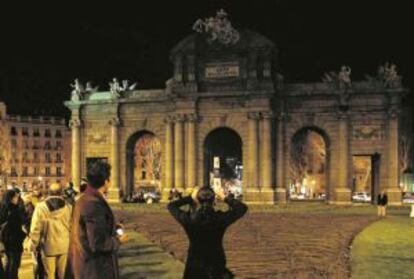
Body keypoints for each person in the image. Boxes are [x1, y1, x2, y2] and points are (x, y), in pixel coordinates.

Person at [168, 186, 248, 279]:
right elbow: (242, 208)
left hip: (194, 264)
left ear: (197, 200)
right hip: (216, 262)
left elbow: (171, 206)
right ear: (214, 201)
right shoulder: (220, 219)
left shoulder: (189, 220)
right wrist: (224, 197)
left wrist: (190, 198)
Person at [66, 161, 128, 279]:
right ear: (106, 181)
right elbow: (97, 243)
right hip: (95, 269)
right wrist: (119, 240)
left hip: (86, 265)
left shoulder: (84, 199)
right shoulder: (92, 204)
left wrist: (113, 227)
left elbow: (89, 228)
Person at [29, 183, 72, 279]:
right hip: (64, 245)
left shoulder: (41, 207)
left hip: (48, 245)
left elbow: (36, 228)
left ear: (49, 192)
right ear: (61, 192)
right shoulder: (68, 207)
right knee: (63, 274)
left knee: (49, 274)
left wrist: (33, 244)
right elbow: (71, 226)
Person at [0, 189, 27, 279]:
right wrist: (23, 235)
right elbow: (16, 227)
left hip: (6, 240)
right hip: (14, 240)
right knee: (14, 263)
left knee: (9, 261)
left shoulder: (3, 209)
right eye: (16, 197)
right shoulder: (15, 210)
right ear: (11, 198)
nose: (17, 199)